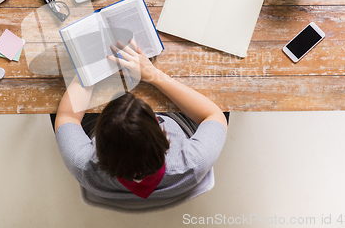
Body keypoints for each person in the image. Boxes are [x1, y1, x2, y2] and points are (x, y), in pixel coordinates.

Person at [54, 39, 227, 205]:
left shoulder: (83, 165)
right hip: (179, 123)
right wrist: (153, 74)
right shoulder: (194, 162)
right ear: (164, 136)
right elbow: (214, 115)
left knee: (59, 112)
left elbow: (67, 117)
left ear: (98, 147)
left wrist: (90, 70)